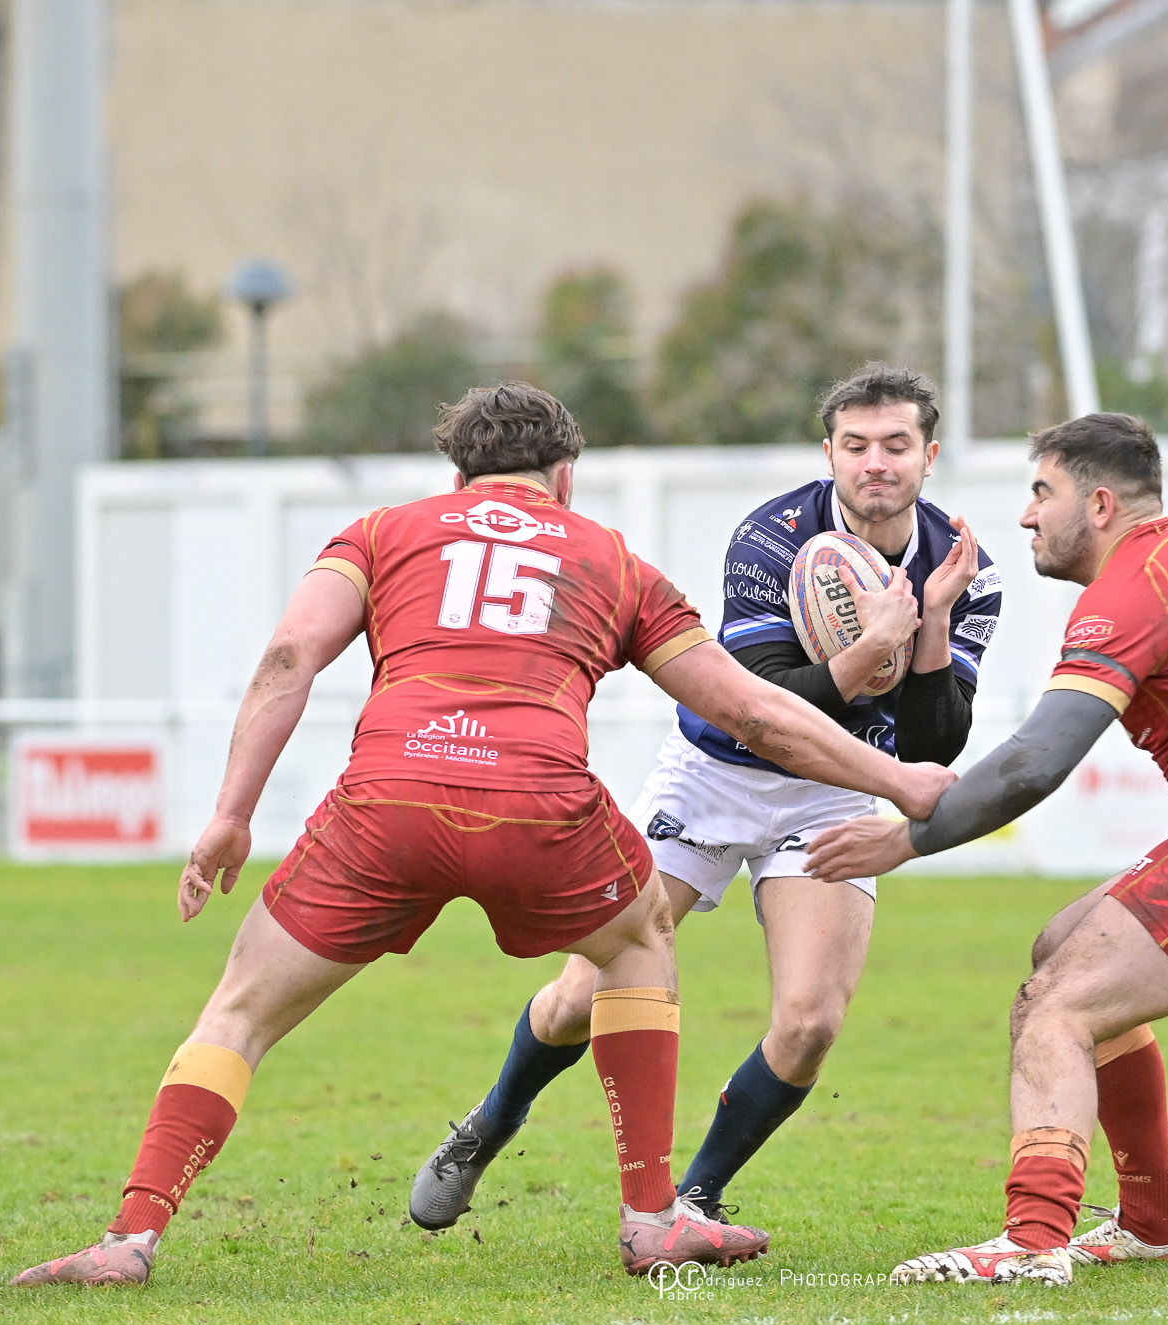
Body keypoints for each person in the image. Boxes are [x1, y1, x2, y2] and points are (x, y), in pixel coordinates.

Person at [9, 383, 953, 1288]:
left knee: (238, 1013)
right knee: (637, 945)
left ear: (456, 475)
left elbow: (290, 655)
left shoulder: (379, 533)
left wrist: (230, 813)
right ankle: (650, 1215)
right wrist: (897, 778)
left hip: (388, 802)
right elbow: (750, 710)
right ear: (566, 475)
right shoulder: (613, 560)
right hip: (536, 805)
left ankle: (131, 1235)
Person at [408, 364, 1002, 1235]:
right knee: (579, 998)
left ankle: (693, 1197)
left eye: (896, 444)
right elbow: (762, 705)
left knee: (810, 1022)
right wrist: (875, 642)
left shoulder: (963, 567)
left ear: (929, 455)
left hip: (838, 792)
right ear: (829, 454)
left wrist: (933, 622)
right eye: (856, 444)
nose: (876, 462)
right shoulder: (769, 538)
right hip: (714, 771)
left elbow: (931, 745)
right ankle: (491, 1121)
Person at [807, 413, 1168, 1287]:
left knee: (1056, 1007)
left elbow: (1037, 761)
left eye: (1041, 492)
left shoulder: (1135, 584)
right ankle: (1155, 1224)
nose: (1026, 515)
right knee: (1059, 948)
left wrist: (906, 837)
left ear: (1100, 504)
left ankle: (1032, 1238)